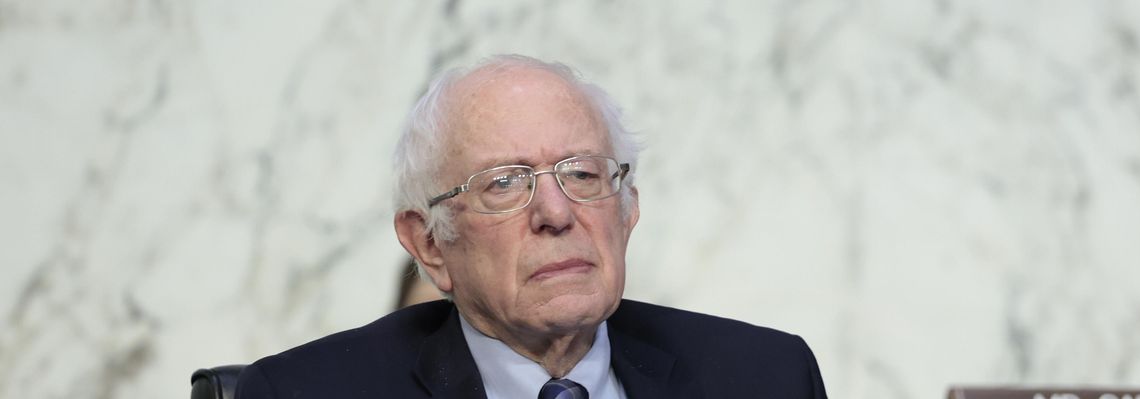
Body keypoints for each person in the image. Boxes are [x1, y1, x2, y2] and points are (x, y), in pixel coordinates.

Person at [236, 54, 828, 399]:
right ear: (428, 243)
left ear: (628, 210)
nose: (556, 213)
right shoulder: (302, 395)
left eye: (583, 175)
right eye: (504, 184)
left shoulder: (765, 377)